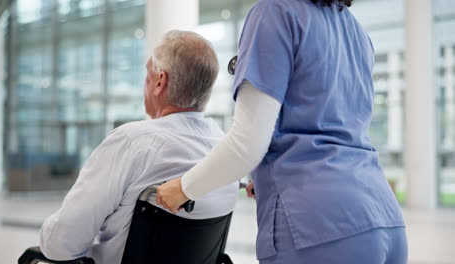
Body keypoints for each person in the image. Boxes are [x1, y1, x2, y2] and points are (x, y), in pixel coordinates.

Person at [156, 0, 407, 263]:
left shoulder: (274, 12)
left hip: (319, 227)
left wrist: (183, 188)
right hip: (383, 219)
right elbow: (332, 128)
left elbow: (245, 145)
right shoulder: (357, 32)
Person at [39, 30, 238, 264]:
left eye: (147, 74)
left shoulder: (132, 142)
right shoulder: (227, 153)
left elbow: (62, 244)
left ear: (160, 81)